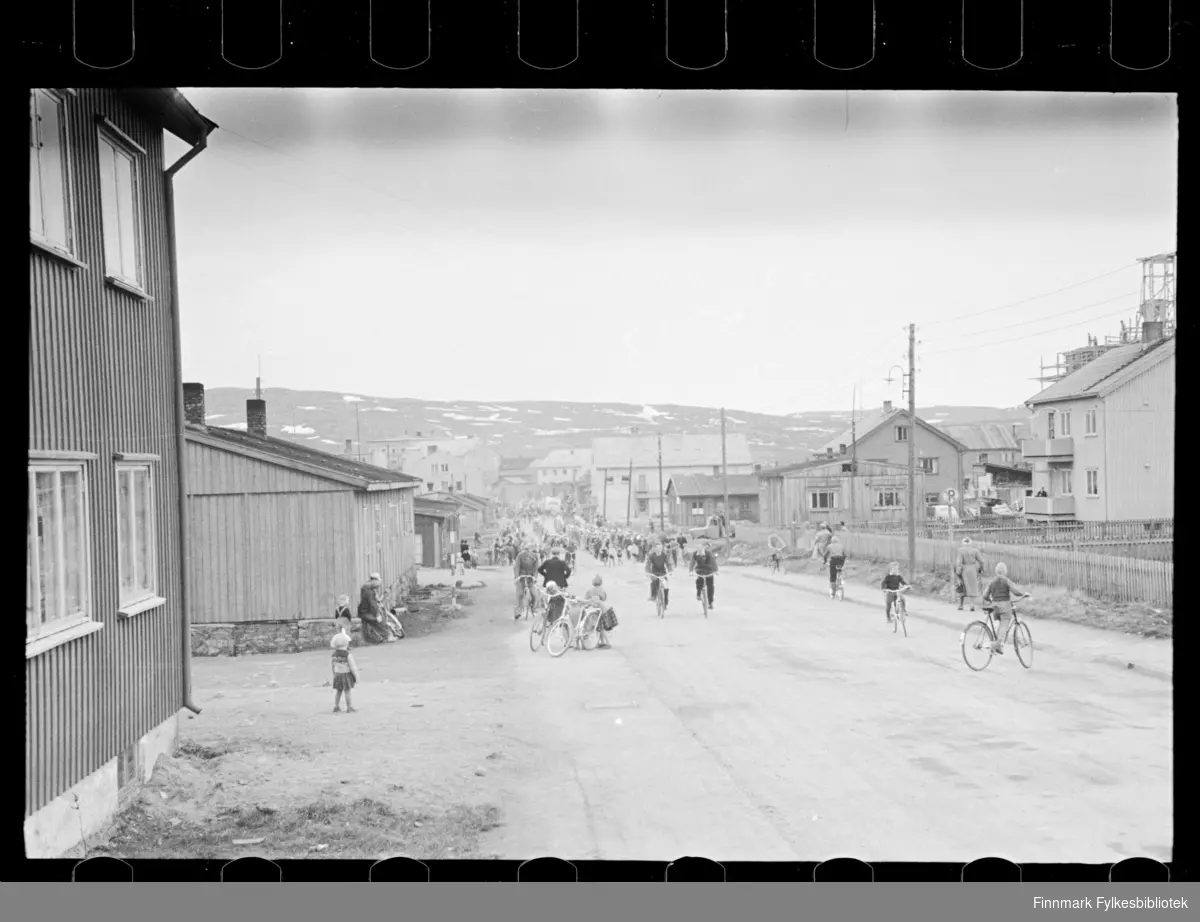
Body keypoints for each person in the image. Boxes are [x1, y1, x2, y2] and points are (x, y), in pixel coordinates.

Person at [982, 562, 1030, 655]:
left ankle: (998, 644)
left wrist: (991, 600)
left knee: (1000, 625)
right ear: (1005, 571)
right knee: (1005, 622)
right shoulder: (1006, 580)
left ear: (996, 571)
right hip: (1005, 605)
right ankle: (997, 644)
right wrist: (1023, 594)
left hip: (995, 606)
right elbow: (1015, 591)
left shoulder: (992, 582)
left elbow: (984, 595)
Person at [358, 573, 396, 644]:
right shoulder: (369, 591)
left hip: (364, 610)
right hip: (366, 612)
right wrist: (377, 615)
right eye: (378, 580)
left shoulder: (368, 587)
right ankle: (388, 636)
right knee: (380, 622)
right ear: (374, 580)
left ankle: (382, 636)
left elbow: (375, 600)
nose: (379, 583)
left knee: (381, 618)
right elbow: (373, 605)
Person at [330, 630, 360, 713]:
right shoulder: (348, 655)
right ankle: (349, 707)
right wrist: (356, 676)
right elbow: (352, 667)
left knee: (338, 691)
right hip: (346, 675)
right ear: (346, 643)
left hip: (337, 675)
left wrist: (334, 674)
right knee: (347, 691)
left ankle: (336, 706)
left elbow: (332, 666)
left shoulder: (333, 655)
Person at [584, 575, 617, 648]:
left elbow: (586, 599)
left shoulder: (590, 591)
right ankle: (602, 642)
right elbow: (604, 598)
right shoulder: (602, 590)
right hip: (602, 610)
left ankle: (606, 643)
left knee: (599, 627)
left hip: (593, 611)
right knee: (600, 627)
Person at [954, 537, 986, 612]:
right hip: (972, 569)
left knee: (962, 586)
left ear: (963, 543)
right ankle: (972, 605)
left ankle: (961, 605)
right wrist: (981, 569)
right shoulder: (975, 550)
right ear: (970, 543)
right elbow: (982, 561)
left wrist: (958, 572)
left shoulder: (960, 550)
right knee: (972, 587)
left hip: (964, 569)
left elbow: (959, 562)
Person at [513, 543, 540, 618]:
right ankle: (518, 612)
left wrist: (535, 577)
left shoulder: (535, 556)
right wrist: (517, 577)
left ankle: (534, 609)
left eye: (530, 549)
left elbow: (536, 568)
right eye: (526, 549)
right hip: (521, 576)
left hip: (530, 577)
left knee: (534, 594)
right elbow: (516, 567)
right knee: (520, 594)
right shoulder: (520, 556)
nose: (528, 551)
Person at [691, 538, 719, 609]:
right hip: (700, 570)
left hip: (709, 571)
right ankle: (698, 593)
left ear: (703, 548)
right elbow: (692, 562)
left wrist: (716, 570)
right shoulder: (695, 554)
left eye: (700, 547)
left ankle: (710, 602)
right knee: (699, 581)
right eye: (698, 548)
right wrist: (691, 571)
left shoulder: (708, 553)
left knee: (710, 587)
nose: (699, 549)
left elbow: (713, 562)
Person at [644, 539, 673, 606]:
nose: (659, 549)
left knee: (666, 587)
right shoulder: (651, 555)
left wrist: (670, 570)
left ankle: (665, 600)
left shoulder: (664, 555)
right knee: (654, 581)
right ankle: (653, 596)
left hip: (663, 572)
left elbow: (668, 563)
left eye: (660, 547)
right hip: (654, 572)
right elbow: (648, 564)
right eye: (658, 547)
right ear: (655, 548)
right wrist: (647, 572)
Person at [826, 533, 846, 597]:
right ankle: (841, 578)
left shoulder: (829, 546)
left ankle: (833, 592)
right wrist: (843, 561)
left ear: (831, 541)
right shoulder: (841, 546)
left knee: (833, 576)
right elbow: (844, 555)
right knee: (839, 569)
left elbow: (825, 555)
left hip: (833, 560)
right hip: (841, 560)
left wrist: (824, 561)